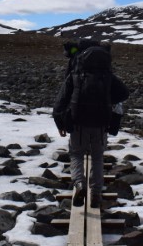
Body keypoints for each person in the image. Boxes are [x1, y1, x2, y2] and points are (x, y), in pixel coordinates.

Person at [53, 40, 129, 208]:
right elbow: (124, 93)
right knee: (97, 157)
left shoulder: (75, 75)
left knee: (76, 154)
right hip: (101, 122)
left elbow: (60, 102)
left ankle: (79, 184)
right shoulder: (108, 76)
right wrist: (108, 100)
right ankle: (95, 195)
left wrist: (60, 123)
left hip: (79, 121)